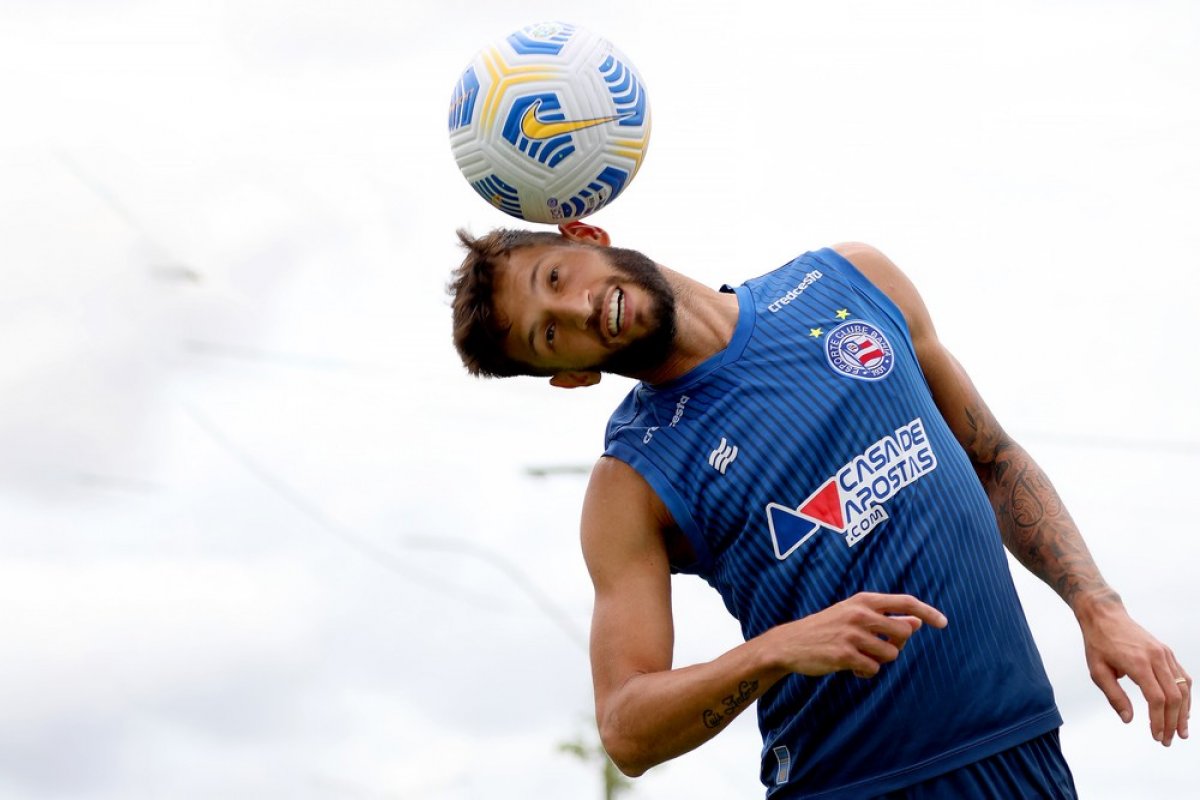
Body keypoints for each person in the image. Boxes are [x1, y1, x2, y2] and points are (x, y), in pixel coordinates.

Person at [446, 221, 1191, 798]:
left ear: (587, 237)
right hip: (851, 784)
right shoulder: (629, 484)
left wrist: (1097, 605)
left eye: (555, 275)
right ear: (570, 376)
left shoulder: (853, 278)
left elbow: (991, 458)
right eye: (550, 333)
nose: (577, 307)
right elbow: (626, 727)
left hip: (1020, 751)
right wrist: (773, 651)